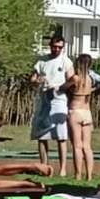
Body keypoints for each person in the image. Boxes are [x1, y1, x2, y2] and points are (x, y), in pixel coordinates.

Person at [30, 33, 73, 177]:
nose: (57, 49)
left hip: (58, 101)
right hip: (43, 100)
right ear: (50, 46)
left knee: (61, 135)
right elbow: (33, 79)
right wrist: (37, 81)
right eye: (54, 47)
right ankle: (44, 166)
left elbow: (72, 80)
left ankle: (63, 169)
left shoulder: (66, 61)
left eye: (60, 47)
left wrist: (59, 87)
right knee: (42, 135)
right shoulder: (42, 61)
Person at [60, 53, 100, 182]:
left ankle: (78, 174)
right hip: (87, 112)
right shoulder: (90, 79)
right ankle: (90, 175)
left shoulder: (75, 78)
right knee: (87, 147)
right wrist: (93, 89)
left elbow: (62, 87)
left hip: (75, 111)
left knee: (77, 146)